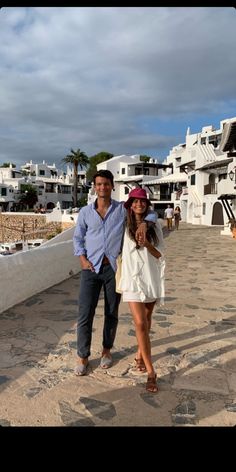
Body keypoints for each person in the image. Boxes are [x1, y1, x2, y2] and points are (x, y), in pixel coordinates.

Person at [73, 170, 157, 376]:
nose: (102, 187)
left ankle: (106, 351)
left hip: (114, 268)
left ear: (112, 186)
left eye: (106, 184)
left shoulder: (121, 210)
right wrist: (83, 260)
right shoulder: (85, 212)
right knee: (85, 313)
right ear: (95, 187)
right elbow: (77, 238)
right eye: (99, 184)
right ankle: (82, 356)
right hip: (90, 268)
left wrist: (145, 223)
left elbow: (151, 212)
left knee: (112, 312)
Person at [117, 188, 165, 393]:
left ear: (147, 204)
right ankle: (151, 372)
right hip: (131, 281)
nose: (139, 204)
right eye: (135, 201)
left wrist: (146, 243)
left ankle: (139, 354)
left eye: (142, 201)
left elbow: (159, 254)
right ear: (129, 204)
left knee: (146, 319)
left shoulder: (155, 225)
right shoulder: (123, 224)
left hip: (150, 278)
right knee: (139, 322)